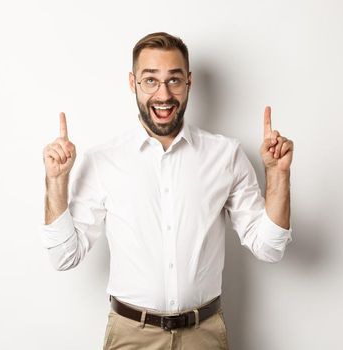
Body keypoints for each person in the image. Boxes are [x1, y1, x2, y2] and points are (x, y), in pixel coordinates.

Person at [40, 32, 293, 350]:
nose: (163, 94)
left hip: (205, 335)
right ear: (133, 83)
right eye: (150, 80)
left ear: (189, 82)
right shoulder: (102, 160)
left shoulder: (225, 155)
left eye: (174, 80)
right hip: (132, 336)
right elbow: (64, 256)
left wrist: (278, 175)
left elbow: (269, 249)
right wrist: (56, 181)